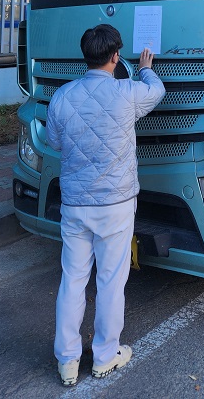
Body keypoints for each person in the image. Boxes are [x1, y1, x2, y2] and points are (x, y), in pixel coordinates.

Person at [46, 23, 165, 386]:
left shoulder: (62, 96)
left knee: (73, 279)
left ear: (86, 56)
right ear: (115, 56)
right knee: (111, 281)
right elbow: (157, 91)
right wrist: (145, 66)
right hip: (115, 204)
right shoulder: (127, 93)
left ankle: (67, 360)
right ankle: (104, 355)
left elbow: (55, 142)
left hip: (76, 205)